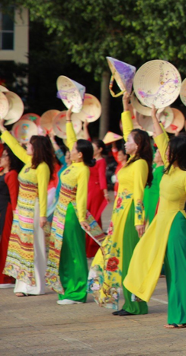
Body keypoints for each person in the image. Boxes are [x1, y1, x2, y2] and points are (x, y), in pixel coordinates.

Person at [124, 119, 186, 328]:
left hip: (177, 225)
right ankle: (177, 316)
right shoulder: (167, 172)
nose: (164, 152)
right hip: (161, 224)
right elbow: (160, 139)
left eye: (169, 150)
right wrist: (153, 116)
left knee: (181, 272)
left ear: (178, 153)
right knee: (170, 273)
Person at [89, 94, 153, 314]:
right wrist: (125, 106)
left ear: (139, 144)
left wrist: (138, 221)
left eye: (129, 141)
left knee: (128, 258)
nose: (125, 142)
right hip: (118, 214)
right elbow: (129, 132)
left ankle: (135, 305)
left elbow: (139, 195)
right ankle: (128, 301)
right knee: (118, 255)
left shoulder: (141, 163)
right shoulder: (132, 161)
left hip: (129, 217)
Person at [46, 125, 106, 304]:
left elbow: (81, 197)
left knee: (74, 252)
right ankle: (66, 289)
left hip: (72, 213)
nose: (70, 150)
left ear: (80, 154)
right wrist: (70, 120)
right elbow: (72, 139)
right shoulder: (73, 165)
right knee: (62, 251)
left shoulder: (83, 169)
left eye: (73, 150)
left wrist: (81, 218)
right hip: (60, 211)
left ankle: (77, 292)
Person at [1, 129, 59, 297]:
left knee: (32, 247)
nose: (27, 145)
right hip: (22, 210)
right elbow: (14, 146)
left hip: (33, 210)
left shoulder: (42, 167)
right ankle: (23, 285)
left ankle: (34, 286)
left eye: (30, 144)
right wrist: (3, 129)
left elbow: (42, 192)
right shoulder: (29, 162)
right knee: (21, 247)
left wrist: (42, 216)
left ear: (37, 148)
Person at [0, 144, 24, 288]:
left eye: (4, 156)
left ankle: (6, 277)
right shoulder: (3, 172)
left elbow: (14, 197)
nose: (1, 158)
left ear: (11, 159)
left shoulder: (12, 174)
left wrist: (16, 216)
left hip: (7, 211)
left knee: (5, 243)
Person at [85, 138, 110, 258]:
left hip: (95, 191)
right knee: (86, 216)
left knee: (93, 217)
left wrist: (105, 193)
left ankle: (93, 247)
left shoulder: (101, 161)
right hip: (87, 190)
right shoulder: (90, 160)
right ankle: (86, 246)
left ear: (100, 150)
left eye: (94, 148)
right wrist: (85, 127)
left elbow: (102, 177)